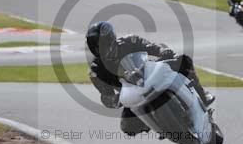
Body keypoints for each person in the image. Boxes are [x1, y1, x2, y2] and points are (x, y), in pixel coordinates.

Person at [86, 21, 215, 136]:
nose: (100, 48)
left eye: (101, 44)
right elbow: (105, 95)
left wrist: (163, 51)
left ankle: (202, 95)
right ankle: (158, 123)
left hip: (149, 75)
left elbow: (151, 47)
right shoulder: (95, 70)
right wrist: (113, 100)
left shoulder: (129, 41)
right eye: (96, 46)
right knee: (128, 128)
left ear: (110, 39)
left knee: (183, 60)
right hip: (132, 96)